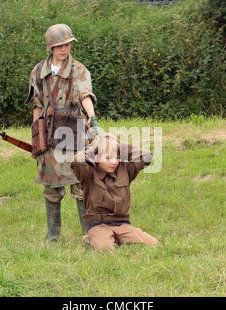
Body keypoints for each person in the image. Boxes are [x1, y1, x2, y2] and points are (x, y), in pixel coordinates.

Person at [24, 24, 100, 242]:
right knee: (51, 188)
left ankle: (90, 235)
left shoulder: (78, 69)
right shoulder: (38, 71)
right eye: (59, 46)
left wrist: (92, 119)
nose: (64, 49)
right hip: (49, 133)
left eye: (67, 44)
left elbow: (85, 94)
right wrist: (36, 137)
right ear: (50, 47)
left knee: (81, 185)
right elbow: (37, 106)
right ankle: (53, 238)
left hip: (74, 130)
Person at [70, 134, 159, 251]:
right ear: (96, 157)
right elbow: (76, 162)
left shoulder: (125, 170)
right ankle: (97, 240)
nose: (114, 162)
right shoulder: (88, 173)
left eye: (117, 157)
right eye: (108, 158)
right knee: (105, 249)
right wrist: (93, 149)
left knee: (153, 244)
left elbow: (146, 156)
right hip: (98, 225)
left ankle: (119, 239)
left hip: (123, 224)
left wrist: (116, 146)